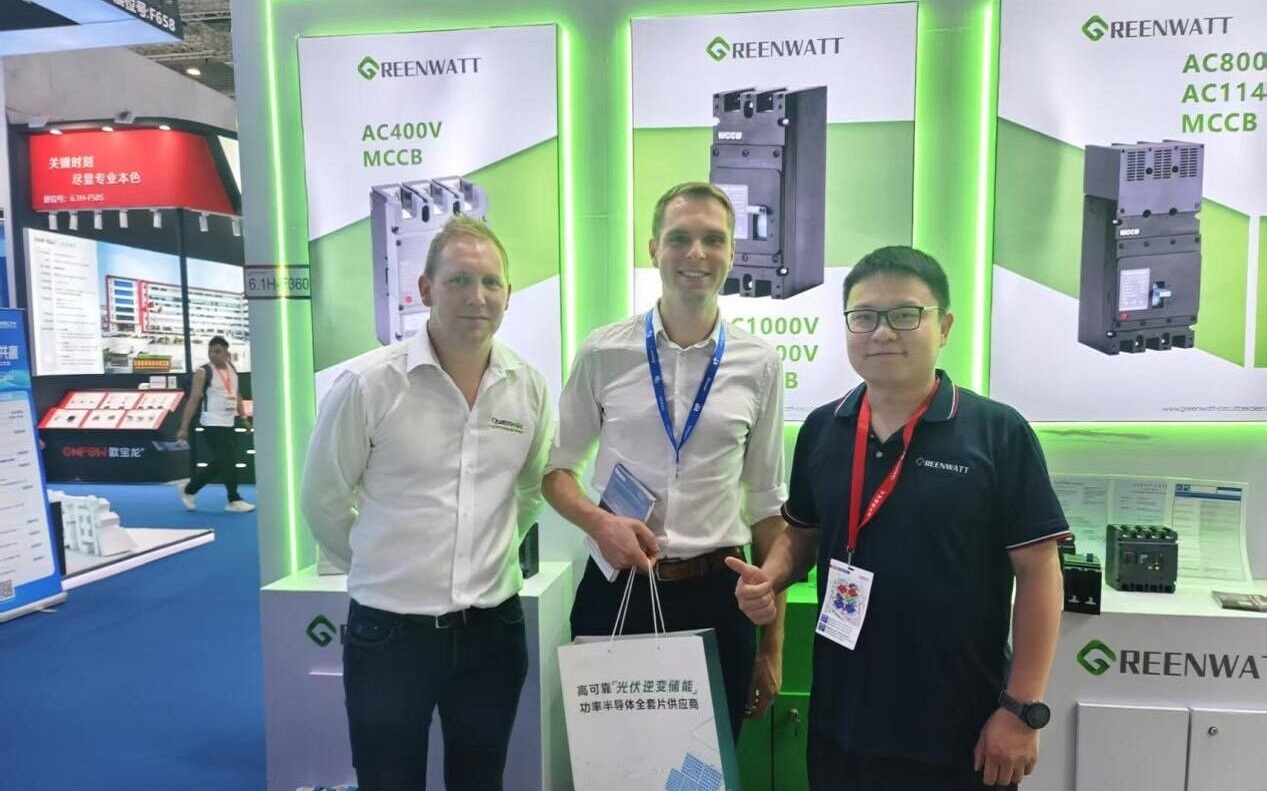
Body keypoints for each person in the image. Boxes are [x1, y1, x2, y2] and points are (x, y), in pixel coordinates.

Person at [726, 246, 1069, 790]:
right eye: (864, 317)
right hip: (841, 726)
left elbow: (1039, 572)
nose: (882, 332)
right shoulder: (823, 428)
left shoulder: (997, 432)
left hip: (962, 729)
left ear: (944, 326)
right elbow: (803, 534)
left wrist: (1022, 709)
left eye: (905, 315)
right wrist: (772, 576)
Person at [300, 215, 552, 791]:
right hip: (390, 636)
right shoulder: (369, 384)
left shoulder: (528, 387)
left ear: (508, 295)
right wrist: (379, 562)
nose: (476, 297)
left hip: (493, 631)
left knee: (480, 781)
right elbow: (322, 499)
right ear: (424, 290)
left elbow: (532, 487)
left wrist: (493, 548)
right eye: (459, 280)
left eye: (490, 282)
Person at [544, 181, 787, 739]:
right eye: (679, 238)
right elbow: (556, 472)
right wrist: (600, 523)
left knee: (706, 766)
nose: (696, 253)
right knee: (613, 763)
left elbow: (767, 505)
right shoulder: (603, 350)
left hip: (718, 594)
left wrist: (771, 645)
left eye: (713, 239)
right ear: (654, 249)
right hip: (619, 585)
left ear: (733, 253)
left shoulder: (760, 363)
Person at [177, 335, 254, 513]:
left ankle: (189, 489)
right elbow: (193, 399)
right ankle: (233, 499)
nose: (213, 354)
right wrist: (183, 427)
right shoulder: (203, 372)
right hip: (211, 423)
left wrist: (243, 418)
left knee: (222, 462)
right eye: (210, 351)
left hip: (229, 422)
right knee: (228, 461)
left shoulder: (231, 369)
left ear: (227, 352)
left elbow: (237, 395)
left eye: (217, 351)